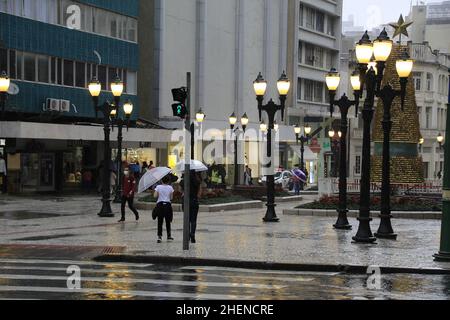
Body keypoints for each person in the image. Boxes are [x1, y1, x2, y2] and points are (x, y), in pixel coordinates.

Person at [180, 171, 202, 243]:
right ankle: (193, 234)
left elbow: (181, 191)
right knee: (193, 220)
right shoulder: (197, 181)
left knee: (187, 219)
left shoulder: (183, 181)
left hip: (186, 201)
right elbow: (199, 194)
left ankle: (187, 235)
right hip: (194, 201)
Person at [154, 175, 175, 243]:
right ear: (168, 181)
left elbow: (155, 196)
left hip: (160, 205)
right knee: (168, 221)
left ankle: (159, 236)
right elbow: (171, 198)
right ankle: (169, 236)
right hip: (167, 205)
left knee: (160, 221)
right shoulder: (170, 188)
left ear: (161, 180)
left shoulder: (158, 187)